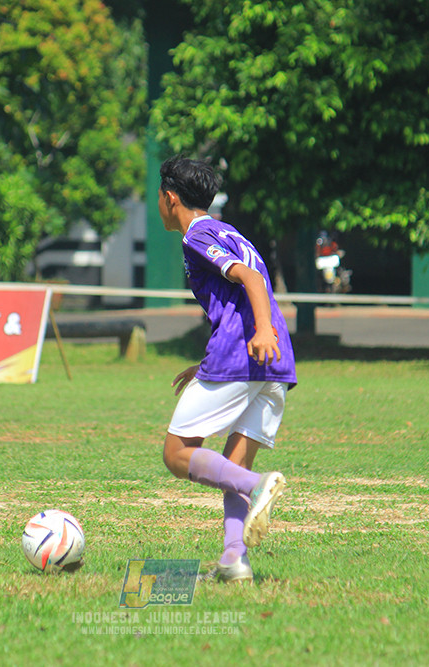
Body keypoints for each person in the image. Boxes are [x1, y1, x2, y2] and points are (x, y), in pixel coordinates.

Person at [156, 155, 297, 583]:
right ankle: (234, 559)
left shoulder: (198, 234)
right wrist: (208, 362)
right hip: (273, 361)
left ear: (170, 198)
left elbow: (250, 280)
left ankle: (258, 484)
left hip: (246, 351)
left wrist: (262, 332)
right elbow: (242, 297)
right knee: (232, 466)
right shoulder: (228, 231)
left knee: (177, 454)